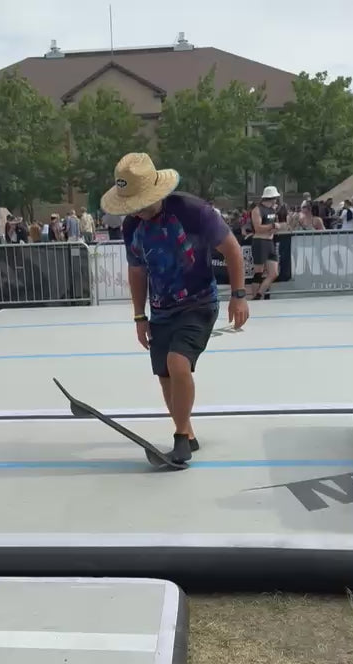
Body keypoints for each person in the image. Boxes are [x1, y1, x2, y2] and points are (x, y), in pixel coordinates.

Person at [101, 152, 248, 465]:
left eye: (139, 202)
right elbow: (137, 271)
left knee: (178, 363)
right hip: (161, 310)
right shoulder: (131, 227)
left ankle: (180, 439)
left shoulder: (192, 211)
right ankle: (188, 433)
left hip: (198, 303)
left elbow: (232, 249)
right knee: (165, 374)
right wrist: (139, 316)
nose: (135, 211)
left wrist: (238, 294)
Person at [250, 186, 281, 300]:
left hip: (269, 241)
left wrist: (274, 228)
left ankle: (259, 293)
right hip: (260, 241)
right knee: (259, 271)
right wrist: (272, 226)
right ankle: (255, 295)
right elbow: (257, 228)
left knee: (273, 273)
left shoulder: (273, 210)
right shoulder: (257, 210)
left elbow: (271, 224)